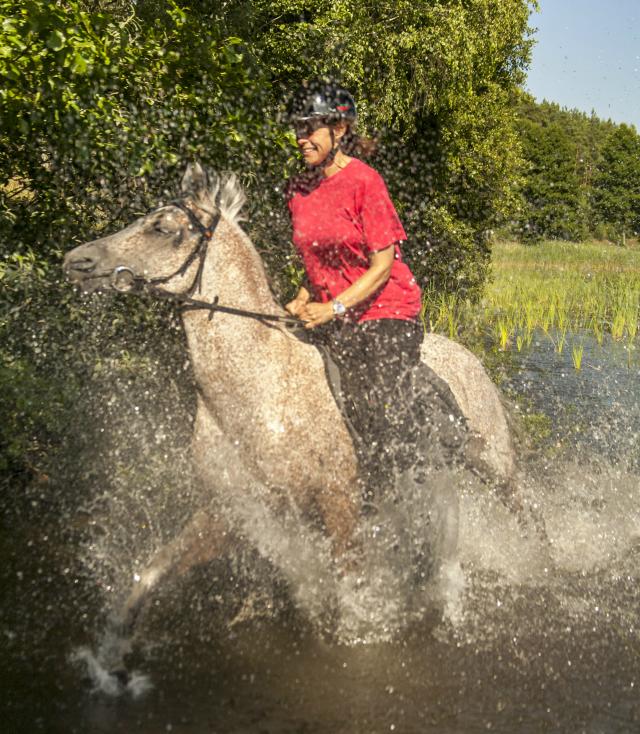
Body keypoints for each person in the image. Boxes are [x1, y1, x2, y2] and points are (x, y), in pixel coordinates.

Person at [284, 80, 467, 510]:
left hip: (385, 308)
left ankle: (394, 492)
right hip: (333, 310)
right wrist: (299, 297)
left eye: (311, 128)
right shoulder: (297, 189)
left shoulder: (365, 181)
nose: (301, 137)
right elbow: (317, 260)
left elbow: (382, 266)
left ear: (339, 130)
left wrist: (333, 307)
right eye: (297, 128)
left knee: (375, 402)